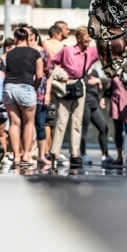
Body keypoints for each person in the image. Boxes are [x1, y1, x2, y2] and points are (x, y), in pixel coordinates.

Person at [48, 26, 97, 169]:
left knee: (77, 122)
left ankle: (75, 153)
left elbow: (104, 48)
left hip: (79, 84)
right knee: (61, 120)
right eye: (87, 36)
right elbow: (51, 63)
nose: (89, 39)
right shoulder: (67, 50)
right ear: (79, 38)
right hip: (66, 84)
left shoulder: (91, 51)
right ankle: (54, 152)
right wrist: (60, 74)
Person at [2, 26, 43, 167]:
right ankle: (26, 155)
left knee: (14, 123)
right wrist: (35, 87)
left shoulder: (10, 53)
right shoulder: (35, 53)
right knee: (28, 122)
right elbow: (39, 75)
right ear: (27, 38)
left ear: (16, 38)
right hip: (26, 87)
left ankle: (16, 156)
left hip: (8, 88)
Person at [26, 25, 52, 166]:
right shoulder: (22, 51)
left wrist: (47, 93)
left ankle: (41, 155)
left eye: (29, 35)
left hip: (40, 93)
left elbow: (49, 74)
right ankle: (27, 153)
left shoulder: (43, 52)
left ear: (34, 36)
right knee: (25, 125)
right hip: (25, 93)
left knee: (40, 125)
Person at [80, 64, 110, 165]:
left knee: (104, 128)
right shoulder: (81, 73)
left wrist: (99, 81)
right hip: (85, 104)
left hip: (94, 104)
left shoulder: (94, 72)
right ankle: (82, 154)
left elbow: (99, 88)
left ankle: (105, 155)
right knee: (84, 130)